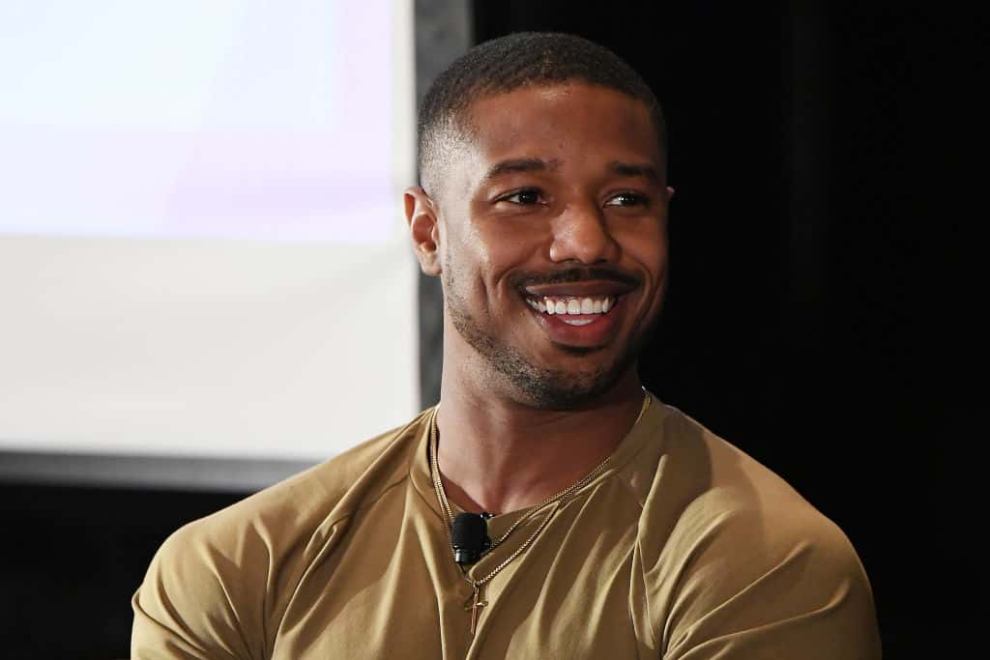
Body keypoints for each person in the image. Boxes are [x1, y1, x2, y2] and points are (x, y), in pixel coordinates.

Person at [132, 32, 881, 659]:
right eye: (525, 198)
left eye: (627, 199)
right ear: (428, 231)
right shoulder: (235, 568)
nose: (588, 240)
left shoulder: (766, 562)